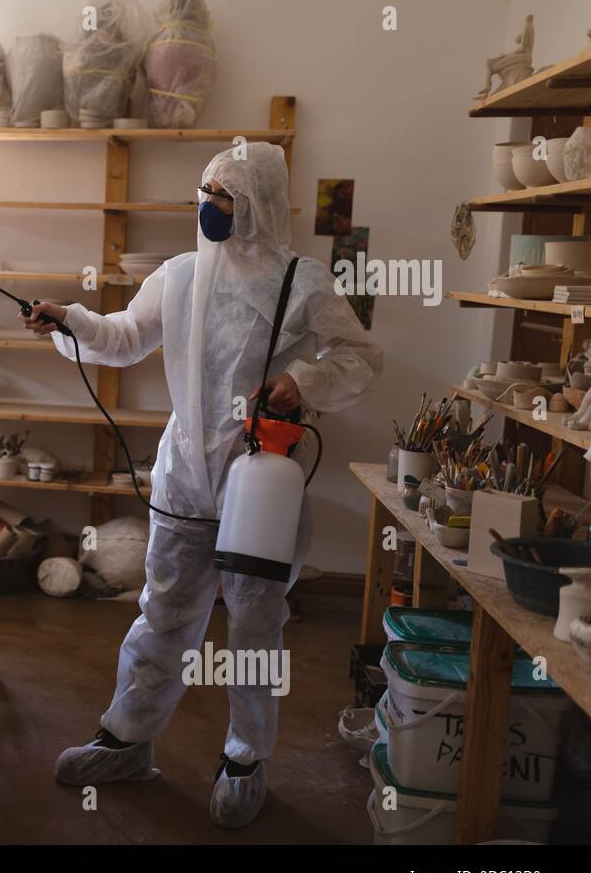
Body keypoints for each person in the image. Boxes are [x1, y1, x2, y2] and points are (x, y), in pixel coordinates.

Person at [25, 142, 381, 828]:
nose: (208, 205)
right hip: (185, 477)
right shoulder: (180, 275)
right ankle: (127, 738)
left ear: (259, 206)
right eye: (204, 191)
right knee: (163, 614)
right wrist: (68, 319)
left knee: (254, 626)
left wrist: (300, 381)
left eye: (224, 195)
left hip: (259, 485)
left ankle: (247, 756)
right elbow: (125, 336)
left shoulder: (300, 282)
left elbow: (361, 356)